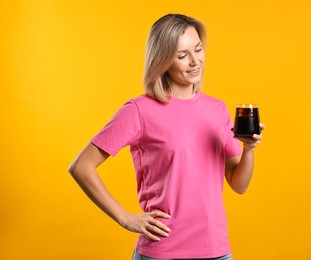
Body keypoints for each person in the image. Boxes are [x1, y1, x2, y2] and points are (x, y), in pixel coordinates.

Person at [68, 13, 265, 260]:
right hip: (162, 252)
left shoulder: (218, 109)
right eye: (182, 55)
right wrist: (125, 218)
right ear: (162, 60)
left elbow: (239, 185)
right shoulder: (139, 111)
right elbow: (81, 167)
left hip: (217, 250)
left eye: (198, 50)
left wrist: (249, 148)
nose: (195, 61)